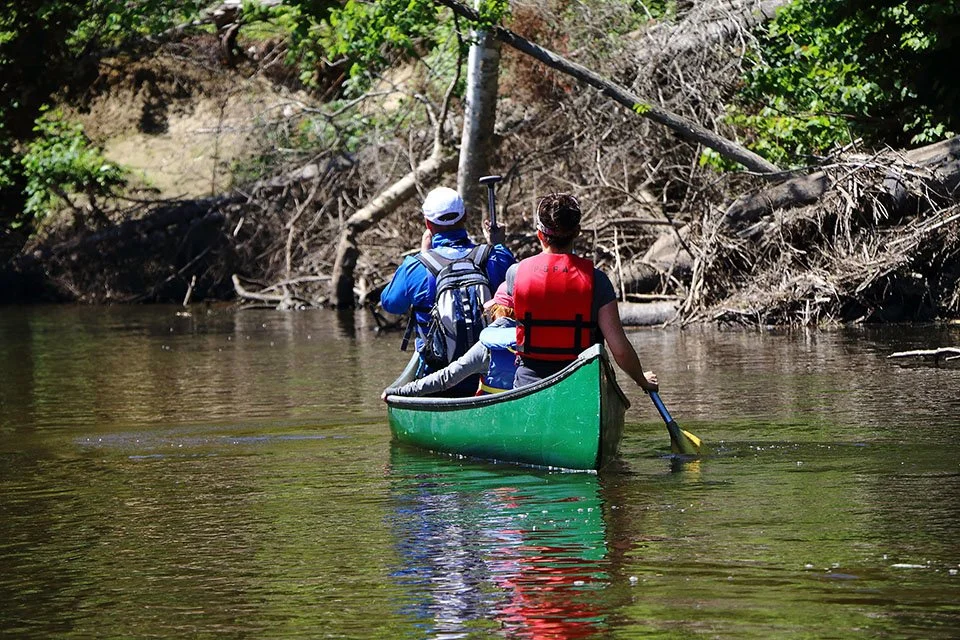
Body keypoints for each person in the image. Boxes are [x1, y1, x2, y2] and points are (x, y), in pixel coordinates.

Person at [506, 192, 659, 393]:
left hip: (530, 386)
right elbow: (619, 350)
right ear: (577, 231)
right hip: (582, 385)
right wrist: (642, 380)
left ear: (540, 234)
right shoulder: (598, 282)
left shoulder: (515, 274)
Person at [381, 186, 515, 393]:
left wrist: (423, 256)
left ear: (427, 224)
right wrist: (499, 245)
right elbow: (514, 286)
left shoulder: (415, 267)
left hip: (435, 378)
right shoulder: (496, 257)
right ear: (466, 217)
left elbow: (391, 304)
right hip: (490, 377)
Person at [382, 282, 518, 399]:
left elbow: (446, 378)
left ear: (498, 311)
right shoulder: (534, 341)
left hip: (491, 413)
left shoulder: (486, 347)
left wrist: (399, 391)